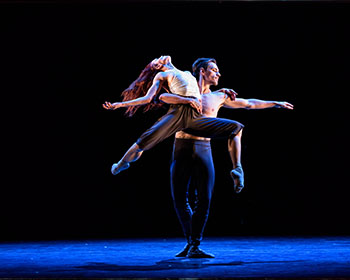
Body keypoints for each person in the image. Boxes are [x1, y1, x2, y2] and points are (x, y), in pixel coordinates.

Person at [159, 58, 293, 258]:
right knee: (179, 199)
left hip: (204, 148)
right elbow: (163, 92)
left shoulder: (219, 96)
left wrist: (275, 103)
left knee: (204, 199)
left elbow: (249, 104)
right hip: (181, 146)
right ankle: (191, 243)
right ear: (202, 71)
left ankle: (194, 244)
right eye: (214, 70)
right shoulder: (184, 90)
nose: (218, 74)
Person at [103, 56, 243, 186]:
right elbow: (147, 99)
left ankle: (237, 168)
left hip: (195, 116)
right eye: (156, 60)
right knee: (143, 142)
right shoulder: (162, 75)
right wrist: (119, 105)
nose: (160, 57)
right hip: (177, 113)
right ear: (157, 66)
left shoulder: (188, 73)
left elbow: (202, 89)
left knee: (235, 127)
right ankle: (121, 163)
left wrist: (222, 91)